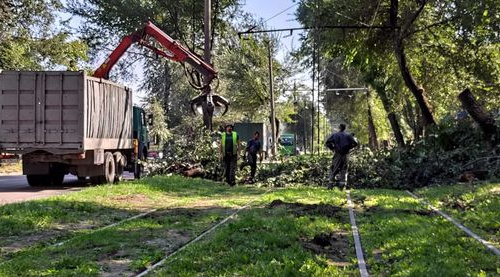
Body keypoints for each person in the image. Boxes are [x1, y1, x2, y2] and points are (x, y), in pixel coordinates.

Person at [325, 123, 358, 190]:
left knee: (334, 169)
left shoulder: (335, 135)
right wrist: (349, 147)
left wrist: (332, 148)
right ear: (344, 128)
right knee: (344, 169)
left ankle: (330, 185)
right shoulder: (348, 136)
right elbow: (355, 143)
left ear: (339, 128)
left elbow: (327, 142)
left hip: (337, 154)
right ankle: (342, 186)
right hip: (345, 154)